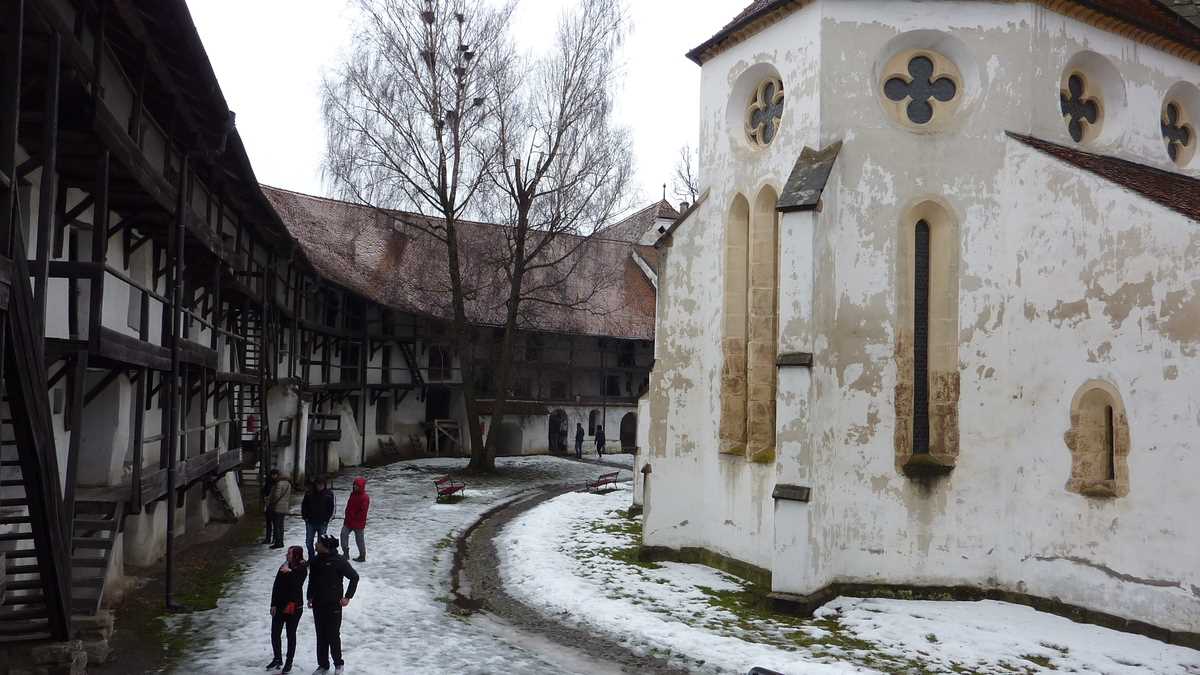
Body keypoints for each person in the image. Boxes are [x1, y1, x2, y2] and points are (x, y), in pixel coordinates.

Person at [307, 535, 359, 673]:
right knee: (321, 635)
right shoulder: (315, 561)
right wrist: (310, 596)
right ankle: (323, 665)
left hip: (333, 605)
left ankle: (338, 664)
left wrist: (347, 597)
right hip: (318, 604)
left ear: (326, 546)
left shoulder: (339, 561)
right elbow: (312, 580)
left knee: (333, 635)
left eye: (319, 543)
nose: (316, 544)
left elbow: (354, 577)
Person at [266, 545, 307, 673]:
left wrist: (289, 572)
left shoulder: (301, 568)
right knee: (275, 633)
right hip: (279, 606)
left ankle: (289, 662)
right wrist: (273, 604)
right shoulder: (284, 566)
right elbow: (276, 586)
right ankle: (277, 658)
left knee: (291, 635)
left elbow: (296, 585)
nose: (286, 555)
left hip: (294, 607)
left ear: (296, 555)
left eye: (289, 554)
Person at [301, 479, 334, 560]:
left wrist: (327, 519)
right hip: (310, 522)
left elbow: (331, 508)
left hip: (322, 522)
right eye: (318, 484)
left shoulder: (329, 494)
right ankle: (311, 558)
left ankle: (320, 559)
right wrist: (305, 517)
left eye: (321, 484)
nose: (319, 486)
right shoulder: (309, 493)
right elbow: (304, 505)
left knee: (321, 543)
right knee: (309, 542)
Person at [340, 478, 369, 562]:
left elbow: (363, 512)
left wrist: (353, 518)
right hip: (348, 521)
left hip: (358, 523)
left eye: (357, 486)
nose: (355, 487)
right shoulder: (352, 494)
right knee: (343, 535)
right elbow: (349, 507)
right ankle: (345, 553)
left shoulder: (365, 497)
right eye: (354, 485)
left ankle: (362, 556)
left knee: (359, 540)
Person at [266, 470, 292, 549]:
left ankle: (278, 543)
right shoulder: (288, 484)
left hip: (278, 507)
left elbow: (276, 496)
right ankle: (280, 541)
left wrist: (271, 502)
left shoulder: (279, 484)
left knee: (277, 526)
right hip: (285, 506)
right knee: (281, 526)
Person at [260, 469, 276, 545]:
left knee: (269, 523)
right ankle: (273, 538)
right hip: (272, 505)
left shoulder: (268, 483)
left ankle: (268, 538)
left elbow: (263, 492)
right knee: (273, 523)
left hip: (268, 505)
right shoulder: (274, 483)